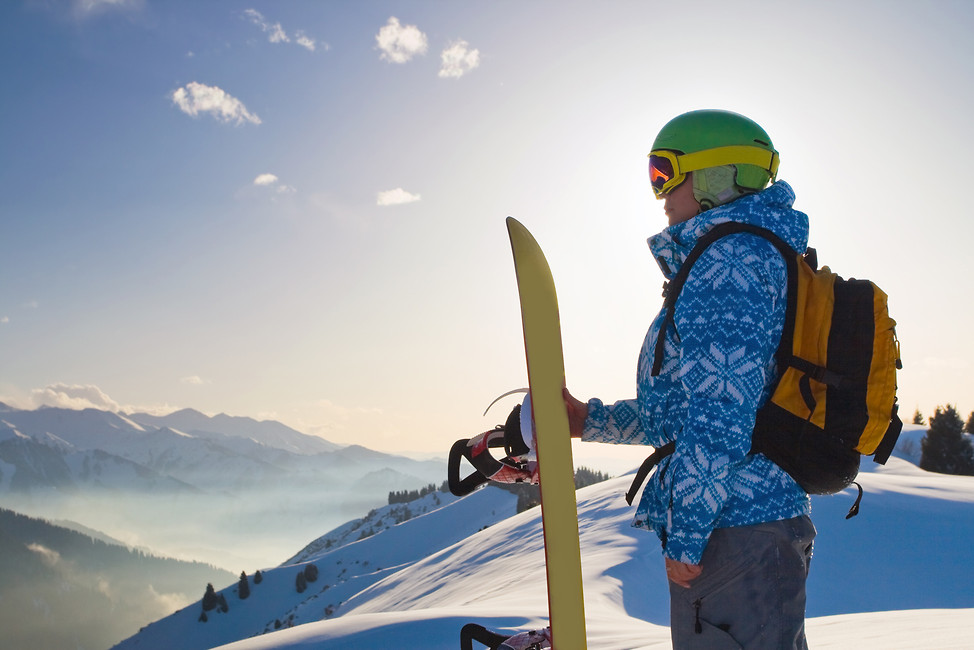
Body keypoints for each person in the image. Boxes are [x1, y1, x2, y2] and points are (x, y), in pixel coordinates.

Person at [563, 109, 815, 649]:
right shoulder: (737, 255)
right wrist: (591, 421)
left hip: (737, 527)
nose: (658, 192)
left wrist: (690, 531)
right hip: (746, 525)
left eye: (665, 172)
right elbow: (685, 411)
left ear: (716, 176)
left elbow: (720, 415)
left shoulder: (730, 263)